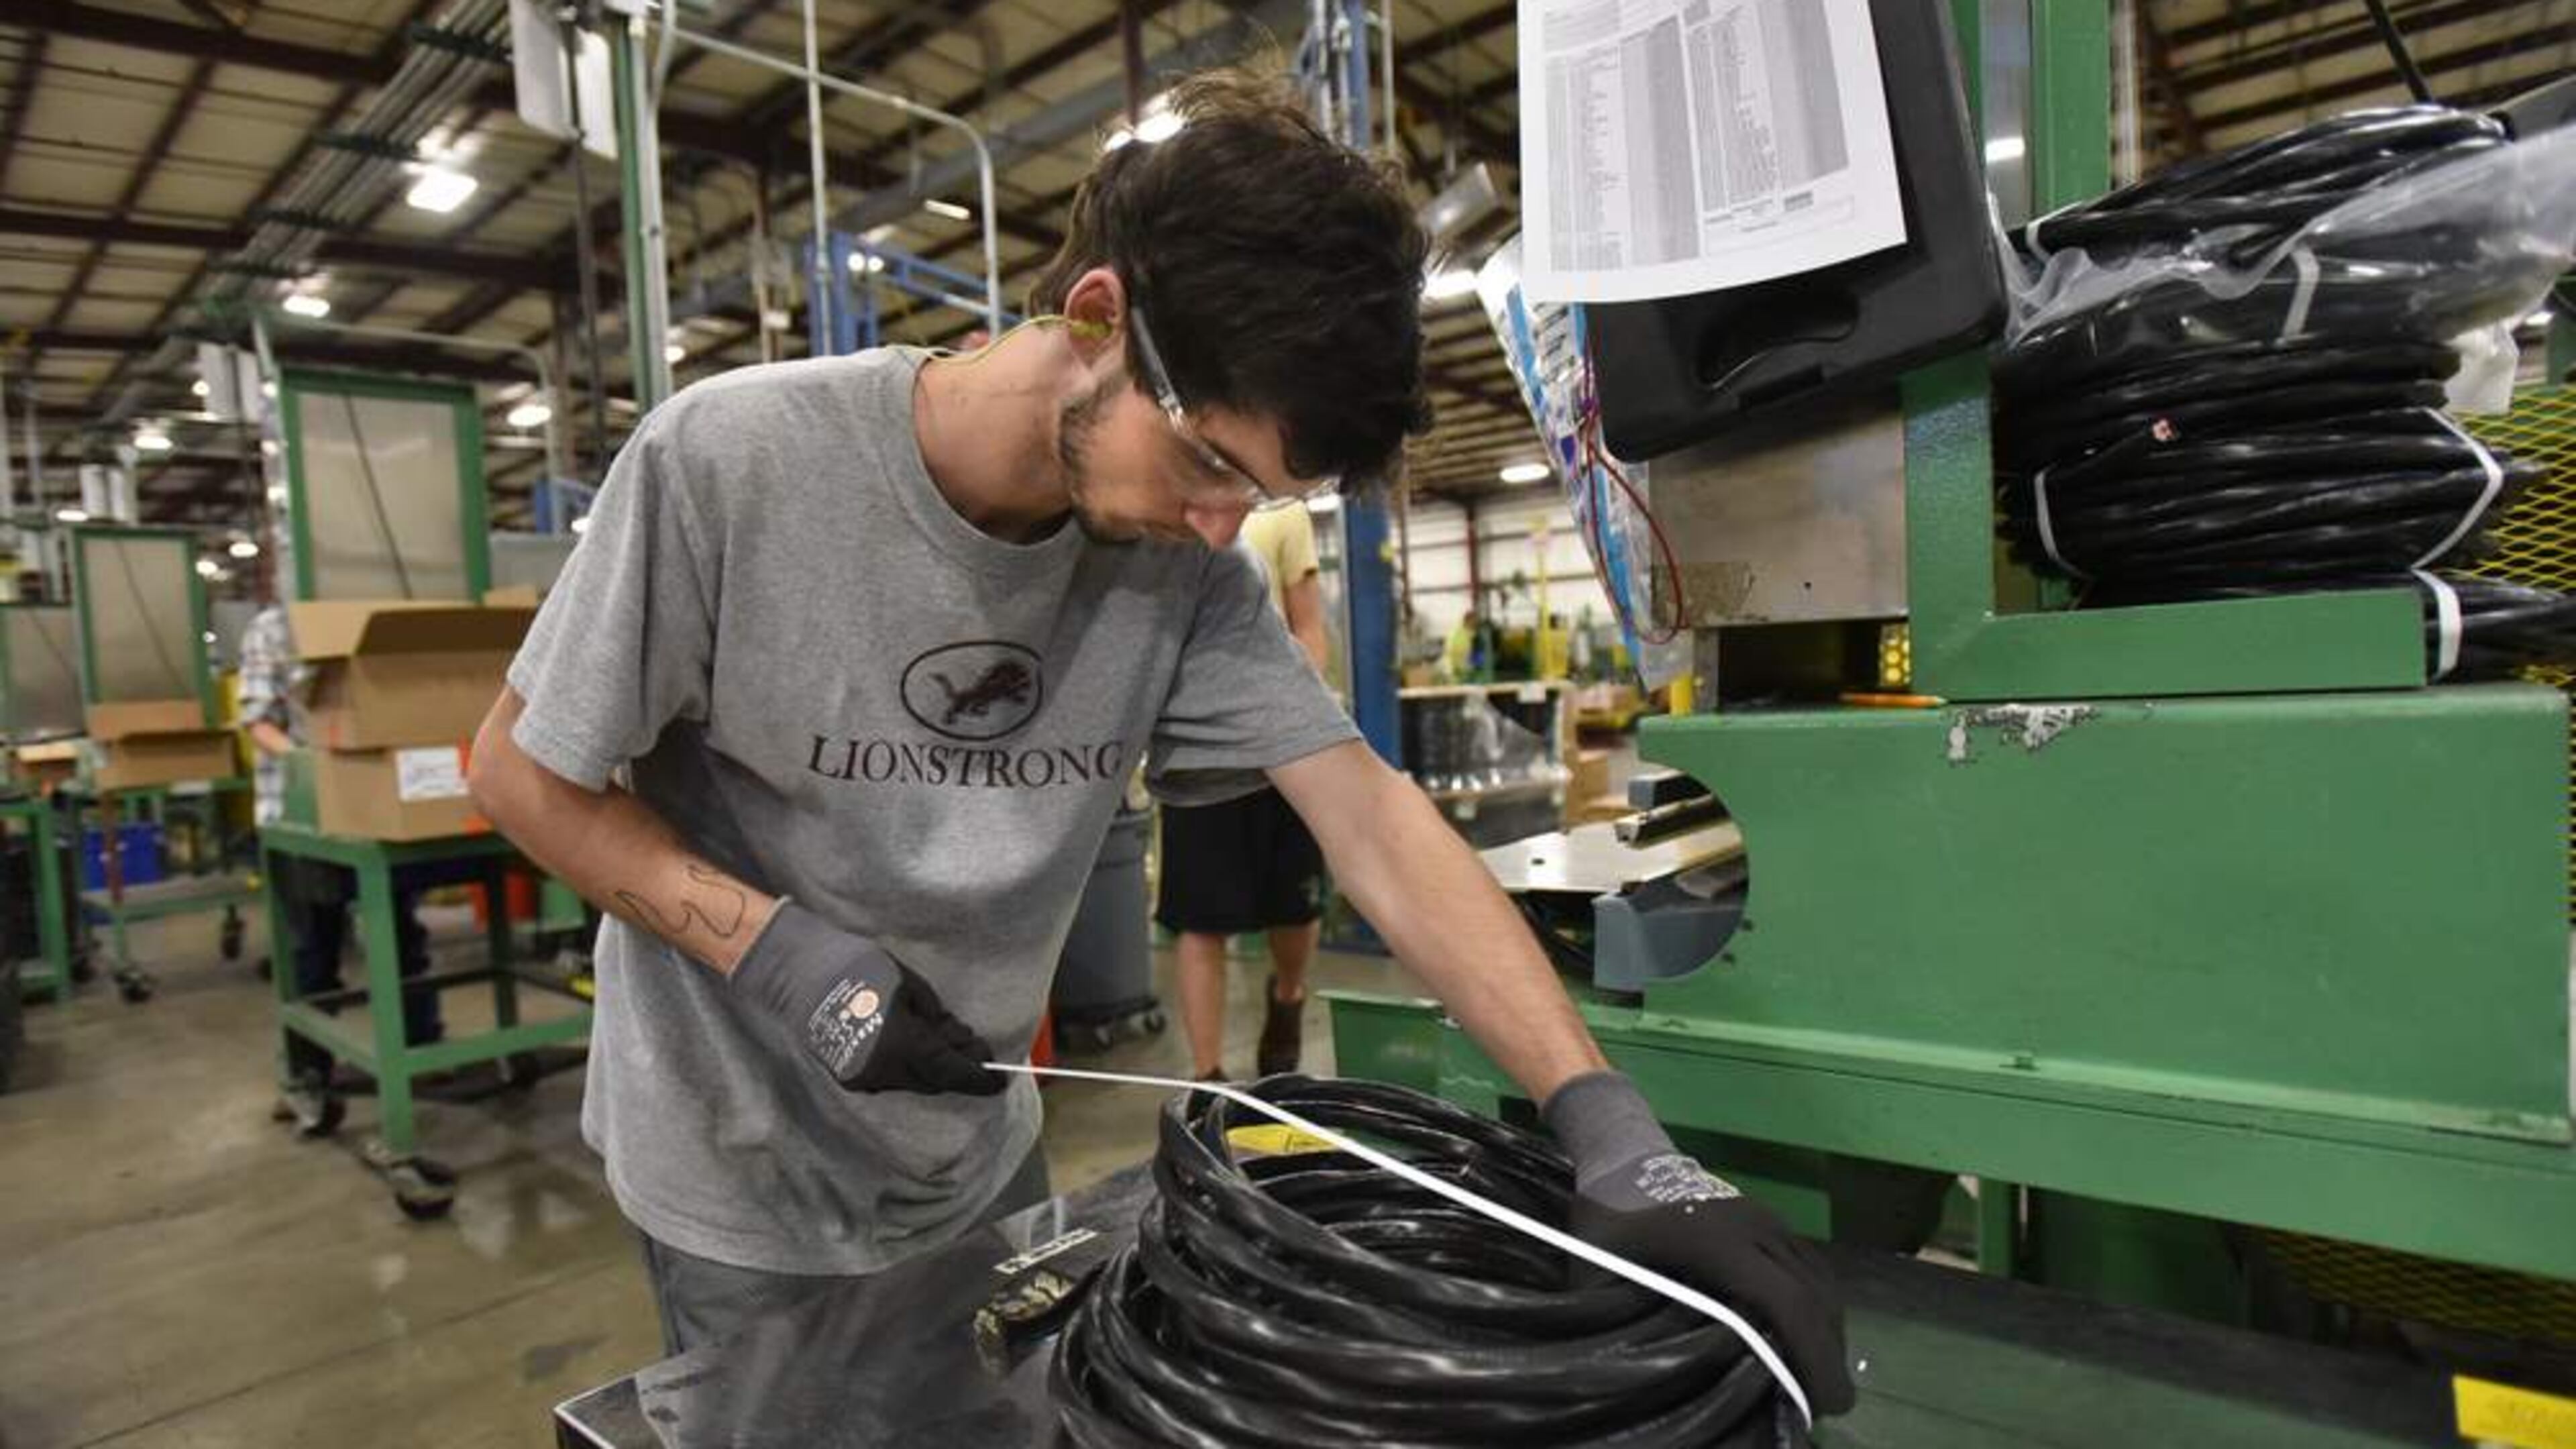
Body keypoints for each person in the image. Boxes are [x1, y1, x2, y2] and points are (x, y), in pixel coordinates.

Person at [464, 68, 1853, 1415]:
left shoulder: (1183, 579)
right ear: (1095, 316)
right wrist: (770, 951)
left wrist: (1606, 1125)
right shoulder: (731, 466)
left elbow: (1367, 817)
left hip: (978, 1160)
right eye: (1208, 463)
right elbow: (520, 769)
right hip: (740, 1179)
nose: (1218, 525)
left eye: (1258, 496)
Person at [237, 588, 440, 1130]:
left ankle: (423, 1048)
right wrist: (316, 765)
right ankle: (309, 1073)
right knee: (313, 949)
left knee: (400, 935)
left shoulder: (380, 618)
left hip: (374, 810)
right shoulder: (273, 628)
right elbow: (258, 721)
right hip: (301, 814)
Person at [1155, 500, 1330, 1081]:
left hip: (1283, 750)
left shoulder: (1284, 514)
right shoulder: (1167, 503)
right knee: (1200, 919)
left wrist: (1299, 714)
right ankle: (1207, 1077)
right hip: (1195, 751)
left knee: (1294, 904)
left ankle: (1288, 996)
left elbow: (1308, 625)